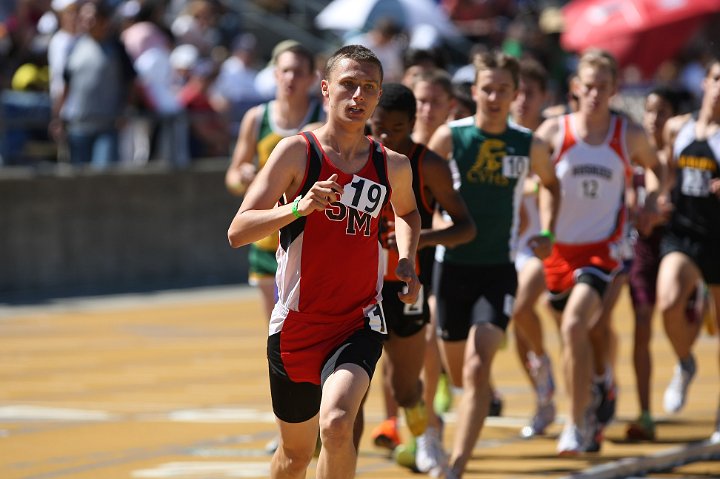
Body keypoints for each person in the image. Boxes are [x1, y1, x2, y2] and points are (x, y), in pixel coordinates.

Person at [227, 44, 421, 479]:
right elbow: (238, 230)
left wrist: (406, 258)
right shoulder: (297, 153)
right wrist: (297, 207)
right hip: (296, 324)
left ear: (378, 94)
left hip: (358, 321)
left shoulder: (392, 165)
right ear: (327, 89)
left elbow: (408, 212)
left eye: (368, 88)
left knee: (336, 424)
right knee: (295, 456)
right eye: (349, 85)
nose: (358, 96)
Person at [427, 50, 560, 479]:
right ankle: (439, 427)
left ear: (515, 93)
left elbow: (552, 186)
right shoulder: (451, 138)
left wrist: (547, 232)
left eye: (504, 89)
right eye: (488, 88)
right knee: (460, 376)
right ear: (474, 91)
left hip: (498, 269)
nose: (495, 96)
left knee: (479, 363)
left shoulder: (528, 144)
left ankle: (457, 463)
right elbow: (419, 190)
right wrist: (434, 224)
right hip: (451, 269)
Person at [534, 49, 663, 455]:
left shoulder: (628, 134)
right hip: (559, 251)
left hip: (603, 251)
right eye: (587, 86)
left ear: (613, 90)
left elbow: (658, 168)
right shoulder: (554, 133)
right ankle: (599, 385)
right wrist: (541, 228)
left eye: (602, 87)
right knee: (579, 334)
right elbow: (536, 181)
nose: (593, 94)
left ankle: (573, 424)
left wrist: (652, 200)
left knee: (577, 325)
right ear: (576, 88)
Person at [368, 82, 476, 475]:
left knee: (405, 384)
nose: (384, 136)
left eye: (394, 128)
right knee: (353, 384)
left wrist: (420, 239)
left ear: (412, 124)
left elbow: (466, 227)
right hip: (360, 287)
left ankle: (425, 433)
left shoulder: (427, 164)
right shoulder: (354, 154)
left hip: (406, 286)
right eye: (377, 126)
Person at [225, 41, 323, 327]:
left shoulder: (324, 119)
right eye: (285, 71)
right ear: (275, 74)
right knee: (277, 331)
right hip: (267, 239)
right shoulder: (257, 119)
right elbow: (231, 177)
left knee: (308, 327)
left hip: (309, 241)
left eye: (298, 72)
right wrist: (241, 178)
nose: (290, 78)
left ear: (311, 78)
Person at [656, 56, 720, 443]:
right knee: (668, 302)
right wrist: (659, 197)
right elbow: (665, 172)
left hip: (719, 238)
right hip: (682, 233)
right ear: (704, 82)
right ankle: (685, 361)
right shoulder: (677, 128)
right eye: (716, 78)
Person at [625, 86, 688, 441]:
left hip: (683, 246)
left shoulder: (683, 153)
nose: (653, 118)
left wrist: (663, 210)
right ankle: (645, 411)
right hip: (644, 250)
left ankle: (684, 361)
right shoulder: (634, 152)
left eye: (662, 111)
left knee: (682, 320)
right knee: (643, 322)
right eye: (649, 110)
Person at [508, 57, 558, 439]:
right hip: (505, 247)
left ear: (543, 96)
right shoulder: (499, 137)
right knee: (516, 333)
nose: (522, 99)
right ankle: (543, 399)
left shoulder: (551, 138)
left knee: (522, 306)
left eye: (530, 92)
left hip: (545, 244)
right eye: (517, 91)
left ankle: (548, 372)